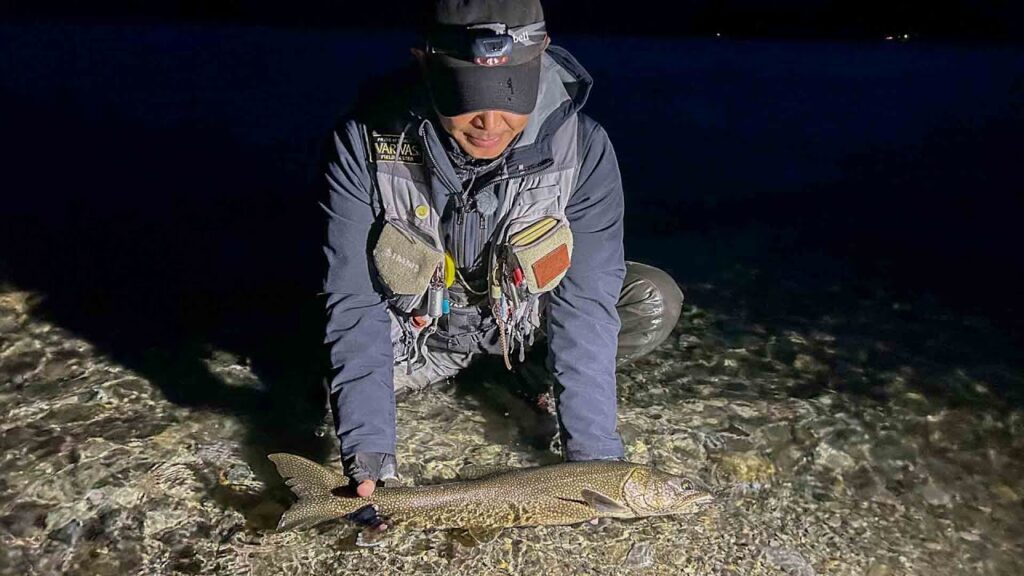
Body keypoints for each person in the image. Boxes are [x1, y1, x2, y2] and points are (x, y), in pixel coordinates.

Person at [320, 0, 683, 498]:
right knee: (316, 378)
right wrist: (367, 454)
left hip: (518, 328)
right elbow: (353, 301)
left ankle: (530, 374)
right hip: (416, 335)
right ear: (425, 63)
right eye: (467, 97)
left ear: (541, 59)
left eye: (511, 96)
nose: (490, 124)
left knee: (649, 298)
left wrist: (596, 463)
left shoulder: (586, 148)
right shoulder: (362, 141)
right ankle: (435, 383)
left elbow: (586, 306)